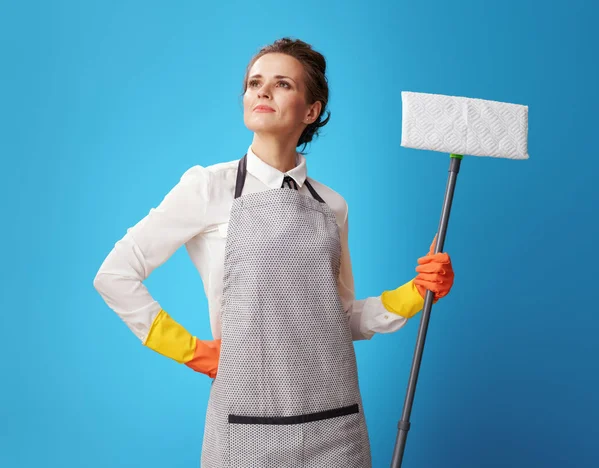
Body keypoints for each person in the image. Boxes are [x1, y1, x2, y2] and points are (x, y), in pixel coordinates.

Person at [93, 37, 454, 468]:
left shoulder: (332, 205)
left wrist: (417, 291)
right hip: (246, 427)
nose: (262, 92)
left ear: (311, 110)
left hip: (336, 426)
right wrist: (191, 351)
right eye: (254, 83)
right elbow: (114, 275)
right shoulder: (208, 188)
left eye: (282, 84)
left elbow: (338, 318)